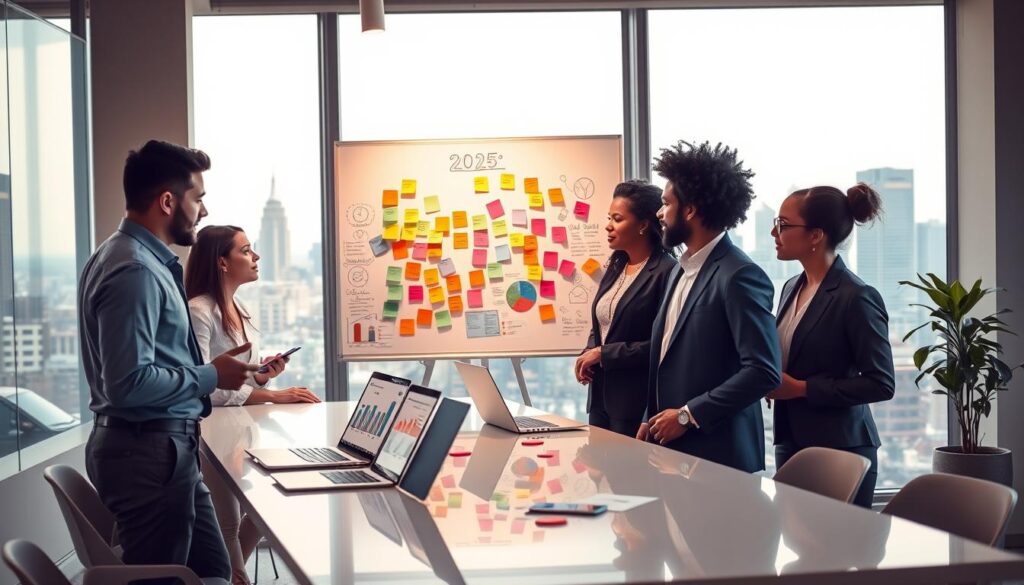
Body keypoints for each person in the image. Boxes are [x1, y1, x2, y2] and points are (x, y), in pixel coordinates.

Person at [78, 139, 259, 583]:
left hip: (166, 450)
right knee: (165, 579)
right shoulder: (135, 269)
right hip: (148, 453)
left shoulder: (128, 257)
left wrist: (208, 372)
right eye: (197, 198)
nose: (202, 209)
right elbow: (127, 382)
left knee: (214, 571)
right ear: (167, 201)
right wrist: (211, 374)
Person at [185, 224, 319, 584]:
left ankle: (230, 578)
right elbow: (200, 384)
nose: (256, 257)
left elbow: (235, 379)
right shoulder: (199, 310)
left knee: (260, 515)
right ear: (222, 263)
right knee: (227, 522)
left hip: (237, 429)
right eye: (245, 250)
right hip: (208, 433)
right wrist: (273, 395)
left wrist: (262, 377)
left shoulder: (240, 307)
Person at [639, 140, 782, 473]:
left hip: (721, 458)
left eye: (666, 203)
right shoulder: (680, 269)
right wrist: (650, 417)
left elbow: (763, 371)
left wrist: (689, 415)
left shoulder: (740, 275)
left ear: (690, 210)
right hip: (673, 452)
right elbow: (665, 356)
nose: (660, 214)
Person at [767, 184, 895, 507]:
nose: (774, 231)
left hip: (843, 450)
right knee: (800, 549)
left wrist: (802, 388)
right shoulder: (789, 288)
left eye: (783, 224)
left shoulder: (857, 297)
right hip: (790, 442)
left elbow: (881, 383)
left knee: (843, 553)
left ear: (815, 236)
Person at [575, 180, 675, 437]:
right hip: (600, 396)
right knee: (599, 472)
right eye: (609, 218)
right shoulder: (616, 265)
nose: (608, 226)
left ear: (643, 224)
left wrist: (605, 354)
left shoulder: (667, 272)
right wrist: (590, 352)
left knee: (627, 476)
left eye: (617, 219)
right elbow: (603, 321)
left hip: (635, 403)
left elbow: (663, 345)